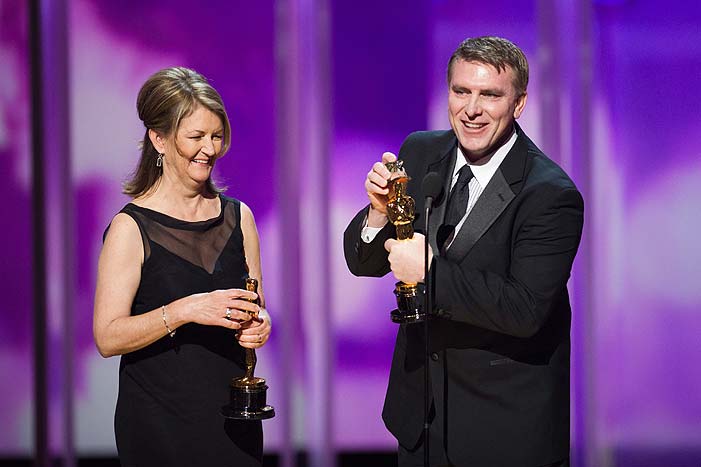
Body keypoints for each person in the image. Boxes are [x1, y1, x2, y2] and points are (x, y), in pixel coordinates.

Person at [344, 36, 584, 466]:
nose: (471, 109)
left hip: (502, 432)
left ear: (519, 103)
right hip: (419, 420)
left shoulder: (550, 195)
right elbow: (364, 263)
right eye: (461, 91)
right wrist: (377, 216)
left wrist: (429, 273)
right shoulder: (420, 152)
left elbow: (524, 309)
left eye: (490, 95)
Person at [93, 67, 271, 467]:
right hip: (160, 426)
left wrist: (261, 323)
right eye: (195, 137)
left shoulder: (239, 218)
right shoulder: (130, 228)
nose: (209, 148)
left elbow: (256, 308)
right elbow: (107, 336)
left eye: (216, 135)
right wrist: (187, 309)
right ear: (159, 139)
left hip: (233, 421)